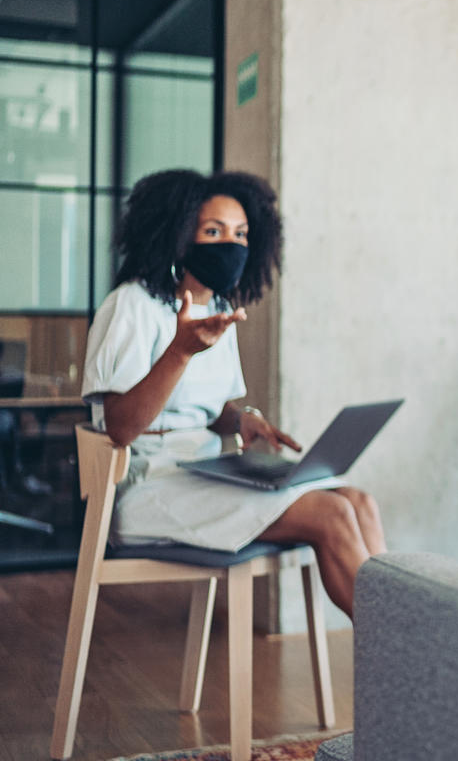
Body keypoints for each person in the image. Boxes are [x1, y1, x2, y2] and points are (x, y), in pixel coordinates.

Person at [81, 169, 384, 617]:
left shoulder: (219, 308)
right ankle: (404, 657)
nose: (232, 245)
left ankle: (404, 640)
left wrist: (242, 420)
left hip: (206, 472)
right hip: (146, 488)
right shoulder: (131, 305)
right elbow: (121, 428)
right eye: (213, 231)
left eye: (241, 233)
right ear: (178, 234)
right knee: (331, 515)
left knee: (357, 501)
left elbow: (208, 409)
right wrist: (179, 353)